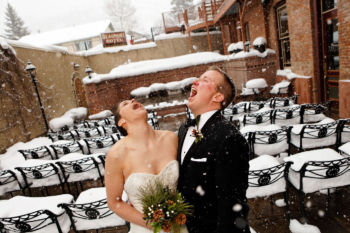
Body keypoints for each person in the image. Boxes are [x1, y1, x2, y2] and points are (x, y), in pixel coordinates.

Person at [177, 66, 250, 233]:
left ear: (218, 96)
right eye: (198, 77)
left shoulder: (230, 139)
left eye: (205, 80)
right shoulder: (183, 130)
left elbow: (232, 206)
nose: (195, 81)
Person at [105, 99, 187, 233]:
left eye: (132, 99)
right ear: (121, 122)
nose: (132, 100)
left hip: (179, 224)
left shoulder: (171, 138)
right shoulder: (116, 155)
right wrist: (151, 224)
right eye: (125, 104)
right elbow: (114, 203)